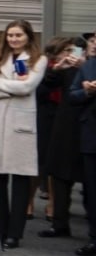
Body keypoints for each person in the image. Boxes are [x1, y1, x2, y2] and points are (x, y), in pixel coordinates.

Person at [0, 19, 47, 249]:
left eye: (18, 35)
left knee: (20, 182)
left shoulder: (39, 59)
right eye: (10, 35)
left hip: (21, 127)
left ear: (28, 36)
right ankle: (0, 229)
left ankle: (14, 234)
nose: (14, 39)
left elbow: (27, 87)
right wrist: (10, 86)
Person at [37, 36, 85, 240]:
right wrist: (57, 68)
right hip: (65, 126)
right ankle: (59, 224)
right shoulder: (64, 67)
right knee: (59, 176)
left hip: (88, 126)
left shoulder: (89, 67)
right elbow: (44, 88)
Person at [68, 43, 96, 256]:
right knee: (92, 190)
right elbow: (73, 95)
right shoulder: (88, 67)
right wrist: (86, 91)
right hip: (91, 134)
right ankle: (94, 238)